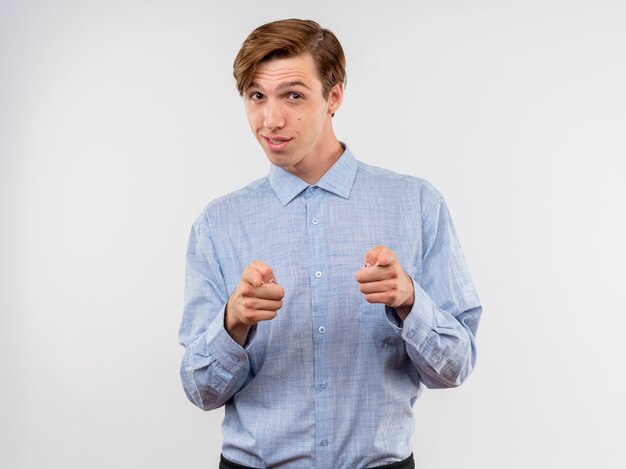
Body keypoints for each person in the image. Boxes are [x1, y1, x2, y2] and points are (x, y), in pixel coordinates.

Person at [178, 18, 482, 469]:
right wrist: (233, 322)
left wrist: (410, 302)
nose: (271, 119)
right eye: (256, 96)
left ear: (334, 96)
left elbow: (455, 368)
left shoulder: (416, 204)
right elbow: (201, 391)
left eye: (293, 96)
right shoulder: (218, 223)